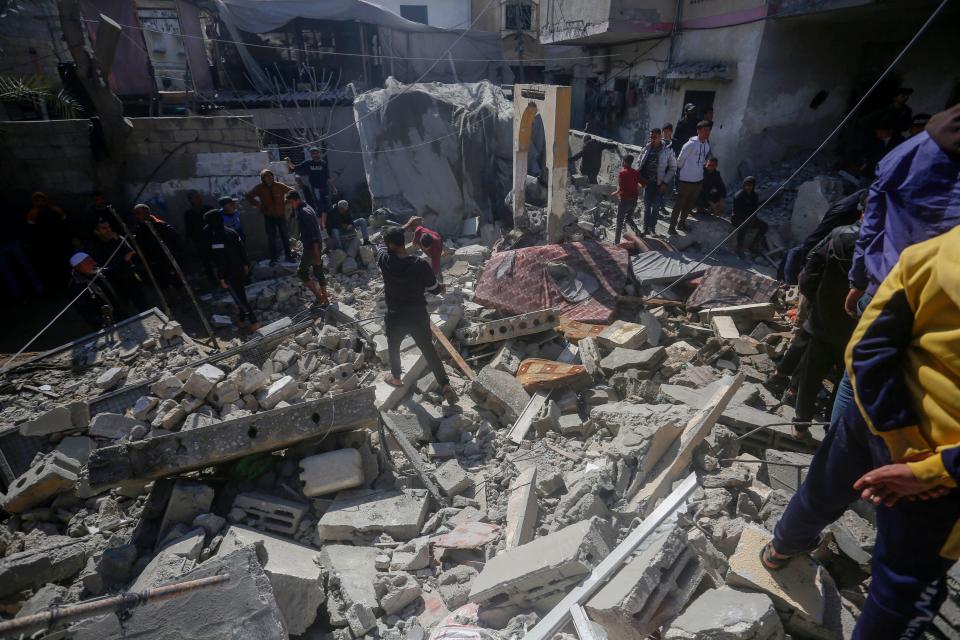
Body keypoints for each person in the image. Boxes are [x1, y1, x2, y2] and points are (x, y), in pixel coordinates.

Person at [762, 223, 960, 639]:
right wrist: (928, 469)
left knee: (820, 491)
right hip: (937, 474)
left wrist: (891, 432)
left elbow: (866, 347)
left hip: (873, 416)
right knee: (904, 583)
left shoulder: (939, 249)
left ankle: (779, 551)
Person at [790, 223, 860, 437]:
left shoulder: (839, 235)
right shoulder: (891, 245)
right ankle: (831, 430)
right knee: (844, 383)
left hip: (823, 319)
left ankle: (800, 425)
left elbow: (810, 273)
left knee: (811, 374)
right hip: (855, 327)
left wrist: (815, 302)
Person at [378, 226, 457, 405]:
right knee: (429, 350)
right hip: (417, 316)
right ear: (404, 241)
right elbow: (434, 289)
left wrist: (403, 227)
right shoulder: (419, 264)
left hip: (395, 316)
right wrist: (441, 288)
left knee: (393, 345)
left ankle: (396, 377)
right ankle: (445, 385)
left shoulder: (384, 260)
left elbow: (381, 248)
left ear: (390, 244)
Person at [780, 189, 867, 285]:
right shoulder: (843, 213)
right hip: (819, 249)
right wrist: (804, 266)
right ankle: (788, 284)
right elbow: (816, 240)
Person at [202, 209, 259, 331]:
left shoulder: (217, 238)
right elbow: (242, 249)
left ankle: (254, 322)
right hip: (239, 268)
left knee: (239, 298)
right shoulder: (231, 231)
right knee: (240, 294)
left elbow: (221, 260)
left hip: (229, 273)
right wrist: (246, 264)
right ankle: (241, 320)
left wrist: (221, 277)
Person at [86, 218, 147, 311]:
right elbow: (104, 264)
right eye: (104, 228)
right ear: (97, 232)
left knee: (141, 302)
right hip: (114, 281)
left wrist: (117, 241)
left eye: (109, 227)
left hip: (129, 275)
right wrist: (122, 258)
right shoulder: (95, 246)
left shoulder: (118, 238)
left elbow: (131, 253)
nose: (108, 230)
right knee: (123, 307)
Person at [285, 191, 331, 309]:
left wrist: (315, 252)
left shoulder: (303, 212)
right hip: (317, 245)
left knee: (301, 272)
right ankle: (325, 299)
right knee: (318, 270)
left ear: (295, 200)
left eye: (290, 203)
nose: (290, 206)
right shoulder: (308, 207)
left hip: (312, 247)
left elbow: (313, 234)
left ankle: (319, 297)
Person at [68, 251, 128, 330]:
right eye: (89, 262)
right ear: (78, 268)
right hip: (105, 322)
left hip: (120, 312)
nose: (94, 263)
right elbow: (84, 310)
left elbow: (114, 271)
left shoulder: (99, 272)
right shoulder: (76, 286)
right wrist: (100, 322)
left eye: (92, 260)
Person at [130, 203, 183, 292]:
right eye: (136, 214)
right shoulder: (138, 229)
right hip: (153, 262)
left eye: (139, 213)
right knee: (162, 284)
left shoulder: (160, 224)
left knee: (177, 280)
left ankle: (184, 298)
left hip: (167, 258)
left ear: (147, 212)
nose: (137, 216)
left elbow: (175, 239)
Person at [671, 121, 712, 234]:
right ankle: (671, 227)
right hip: (685, 180)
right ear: (698, 131)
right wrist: (685, 172)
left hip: (698, 180)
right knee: (679, 205)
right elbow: (679, 161)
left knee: (689, 205)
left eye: (708, 130)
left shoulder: (706, 145)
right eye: (705, 130)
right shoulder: (690, 144)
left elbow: (703, 160)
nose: (707, 132)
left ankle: (681, 224)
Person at [245, 168, 293, 265]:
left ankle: (289, 257)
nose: (269, 179)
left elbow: (292, 192)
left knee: (285, 236)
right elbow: (248, 196)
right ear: (263, 179)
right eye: (267, 177)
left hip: (280, 215)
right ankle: (273, 259)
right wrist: (258, 205)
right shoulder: (260, 188)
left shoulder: (279, 186)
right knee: (271, 238)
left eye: (271, 176)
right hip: (269, 216)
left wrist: (286, 202)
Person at [25, 192, 71, 290]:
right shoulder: (33, 213)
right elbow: (31, 230)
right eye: (37, 201)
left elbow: (64, 223)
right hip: (45, 246)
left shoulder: (54, 210)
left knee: (62, 265)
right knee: (50, 267)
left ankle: (67, 286)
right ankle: (56, 288)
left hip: (58, 243)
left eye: (42, 200)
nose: (40, 203)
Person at [636, 128, 676, 235]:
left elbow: (673, 168)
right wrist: (639, 179)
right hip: (647, 183)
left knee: (656, 208)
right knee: (646, 207)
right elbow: (639, 163)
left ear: (660, 137)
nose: (652, 139)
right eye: (651, 137)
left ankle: (652, 229)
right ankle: (645, 228)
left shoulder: (667, 151)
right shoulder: (646, 148)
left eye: (655, 137)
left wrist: (665, 182)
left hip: (659, 185)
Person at [731, 176, 767, 258]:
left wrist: (753, 218)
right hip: (737, 218)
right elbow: (737, 211)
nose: (748, 187)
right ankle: (739, 248)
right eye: (746, 185)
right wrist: (747, 219)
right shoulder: (739, 196)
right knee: (743, 226)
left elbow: (754, 209)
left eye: (750, 185)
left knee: (764, 226)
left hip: (750, 217)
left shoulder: (754, 196)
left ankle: (753, 245)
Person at [182, 190, 215, 281]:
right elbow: (189, 229)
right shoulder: (188, 213)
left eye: (199, 196)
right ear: (191, 200)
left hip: (213, 239)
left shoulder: (208, 208)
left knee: (219, 259)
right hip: (200, 243)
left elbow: (217, 222)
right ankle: (214, 283)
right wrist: (189, 243)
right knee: (207, 264)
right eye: (196, 198)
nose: (199, 199)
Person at [611, 155, 642, 244]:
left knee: (619, 223)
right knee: (628, 218)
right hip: (634, 201)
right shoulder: (636, 172)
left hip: (624, 201)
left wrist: (613, 194)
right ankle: (637, 231)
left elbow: (620, 190)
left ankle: (616, 243)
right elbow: (642, 184)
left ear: (624, 161)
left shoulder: (622, 173)